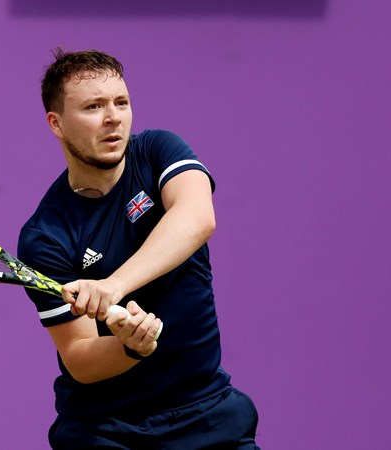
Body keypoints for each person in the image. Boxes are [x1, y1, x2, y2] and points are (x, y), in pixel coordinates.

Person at [17, 48, 260, 449]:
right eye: (94, 106)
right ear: (56, 124)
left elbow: (198, 217)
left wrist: (112, 286)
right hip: (107, 431)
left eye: (121, 102)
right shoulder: (47, 235)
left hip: (207, 413)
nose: (113, 117)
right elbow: (79, 357)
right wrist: (130, 347)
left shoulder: (158, 152)